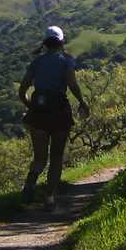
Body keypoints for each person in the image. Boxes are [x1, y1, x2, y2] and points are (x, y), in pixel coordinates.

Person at [18, 25, 89, 210]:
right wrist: (82, 101)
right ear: (61, 41)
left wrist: (30, 107)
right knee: (56, 157)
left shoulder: (37, 62)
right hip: (59, 111)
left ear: (45, 43)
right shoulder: (66, 61)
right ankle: (49, 198)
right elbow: (72, 84)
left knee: (40, 158)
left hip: (39, 112)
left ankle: (29, 184)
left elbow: (22, 90)